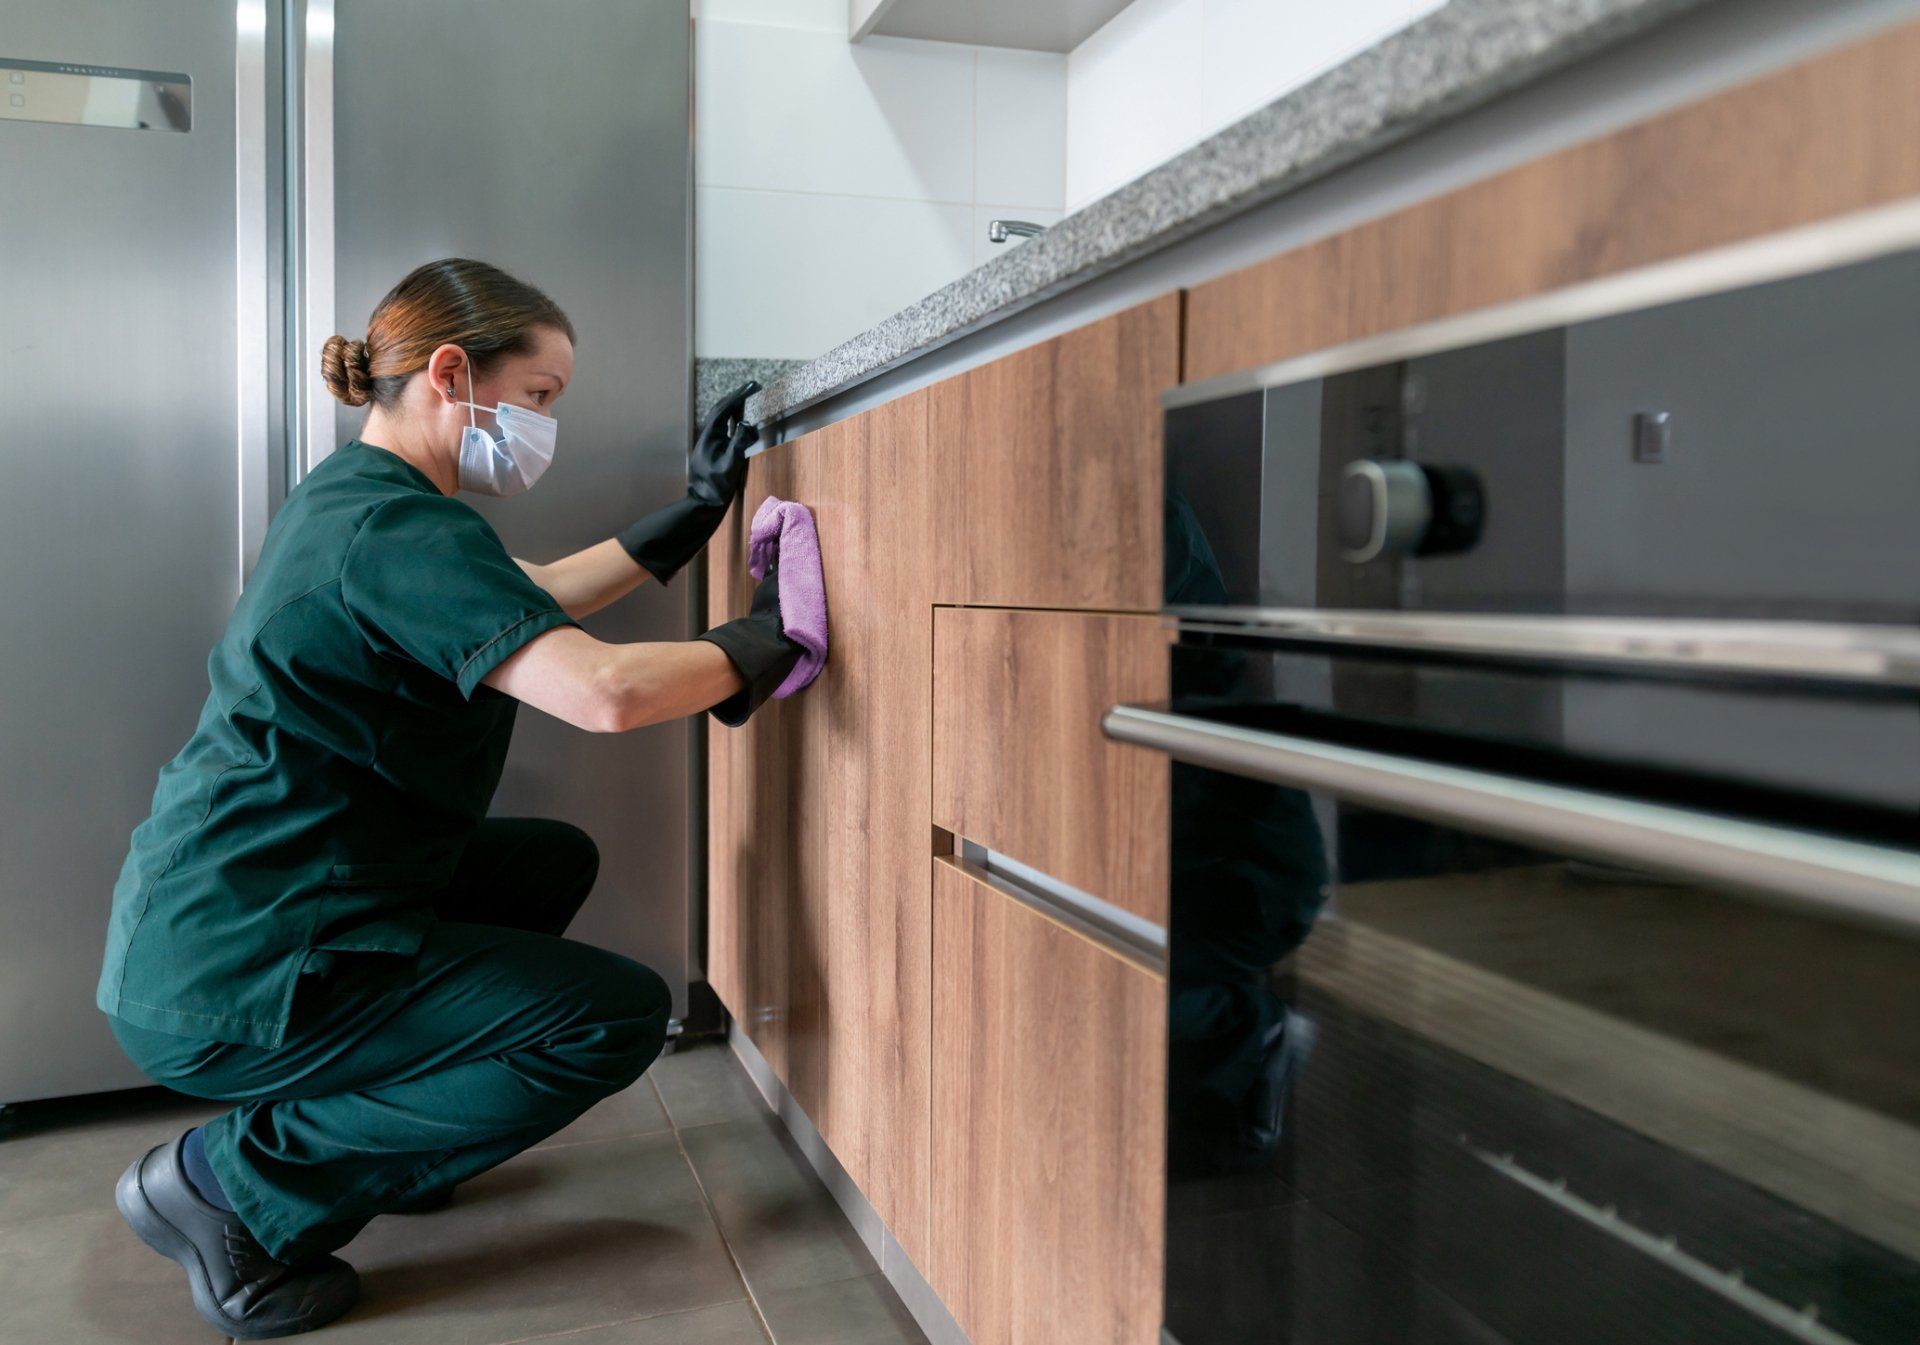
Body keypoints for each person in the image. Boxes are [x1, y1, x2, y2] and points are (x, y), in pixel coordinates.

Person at [94, 257, 803, 1339]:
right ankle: (228, 1186)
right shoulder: (395, 528)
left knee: (545, 862)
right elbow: (604, 693)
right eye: (540, 395)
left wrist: (695, 511)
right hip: (238, 969)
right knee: (609, 1016)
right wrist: (767, 638)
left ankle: (391, 1138)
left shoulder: (361, 501)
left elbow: (523, 597)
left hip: (234, 913)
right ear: (451, 372)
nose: (545, 423)